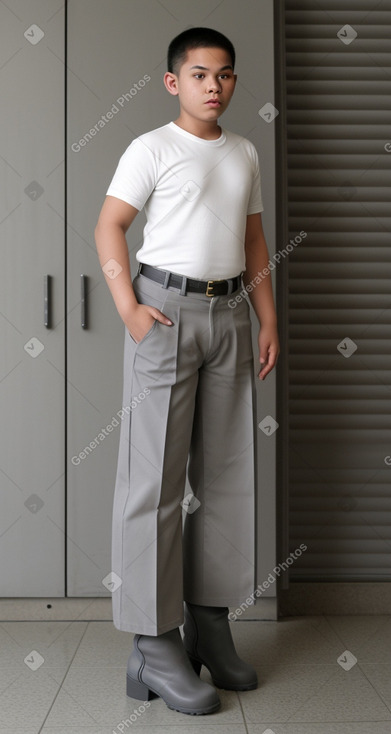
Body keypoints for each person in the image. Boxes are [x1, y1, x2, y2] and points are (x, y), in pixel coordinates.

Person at [94, 26, 279, 717]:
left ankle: (209, 623)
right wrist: (130, 310)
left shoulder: (243, 151)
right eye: (200, 74)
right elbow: (109, 226)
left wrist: (267, 318)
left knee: (228, 478)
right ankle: (153, 642)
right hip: (164, 314)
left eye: (225, 74)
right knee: (154, 480)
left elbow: (253, 238)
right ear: (174, 82)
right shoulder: (151, 148)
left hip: (229, 312)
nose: (213, 85)